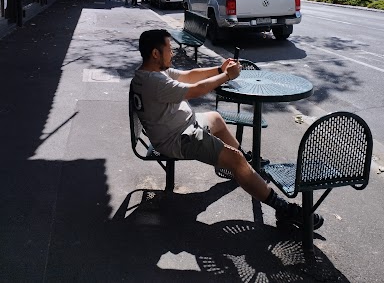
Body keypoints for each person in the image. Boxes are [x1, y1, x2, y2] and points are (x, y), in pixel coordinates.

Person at [130, 29, 324, 230]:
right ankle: (283, 209)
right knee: (235, 159)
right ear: (155, 53)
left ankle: (244, 167)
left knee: (216, 119)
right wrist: (226, 76)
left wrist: (219, 69)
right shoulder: (154, 82)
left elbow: (188, 76)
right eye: (169, 49)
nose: (172, 53)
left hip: (184, 126)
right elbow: (195, 90)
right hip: (179, 139)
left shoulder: (153, 73)